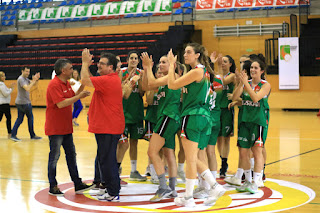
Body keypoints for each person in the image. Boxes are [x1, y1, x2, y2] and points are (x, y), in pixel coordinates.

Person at [167, 44, 225, 207]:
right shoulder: (204, 72)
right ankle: (213, 187)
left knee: (191, 159)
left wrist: (171, 65)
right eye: (185, 52)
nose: (185, 55)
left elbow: (172, 85)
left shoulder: (197, 71)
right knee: (194, 157)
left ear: (197, 55)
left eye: (188, 52)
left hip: (193, 116)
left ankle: (190, 197)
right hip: (203, 118)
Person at [81, 49, 125, 202]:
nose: (98, 65)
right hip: (106, 126)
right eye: (98, 63)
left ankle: (113, 191)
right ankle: (109, 188)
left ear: (111, 68)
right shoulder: (107, 79)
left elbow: (85, 80)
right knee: (104, 159)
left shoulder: (109, 80)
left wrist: (85, 63)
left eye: (102, 64)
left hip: (109, 127)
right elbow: (90, 79)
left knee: (108, 160)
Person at [45, 58, 94, 197]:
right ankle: (52, 185)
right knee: (54, 157)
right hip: (55, 129)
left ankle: (77, 183)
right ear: (63, 70)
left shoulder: (67, 83)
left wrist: (84, 79)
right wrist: (78, 96)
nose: (73, 70)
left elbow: (77, 91)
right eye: (71, 68)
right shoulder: (54, 85)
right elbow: (61, 103)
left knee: (71, 156)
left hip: (66, 128)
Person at [141, 53, 181, 202]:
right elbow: (146, 86)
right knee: (169, 153)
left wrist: (148, 67)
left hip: (168, 117)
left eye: (164, 62)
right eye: (159, 62)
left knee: (152, 152)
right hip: (166, 118)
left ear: (173, 64)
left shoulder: (174, 76)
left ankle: (163, 187)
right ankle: (172, 189)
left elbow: (151, 83)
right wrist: (146, 69)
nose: (161, 64)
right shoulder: (163, 80)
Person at [232, 58, 271, 194]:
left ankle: (256, 182)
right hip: (245, 121)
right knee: (243, 152)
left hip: (258, 122)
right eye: (251, 68)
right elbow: (235, 97)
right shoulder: (246, 83)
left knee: (257, 151)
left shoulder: (265, 85)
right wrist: (240, 83)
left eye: (255, 68)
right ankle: (247, 180)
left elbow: (255, 98)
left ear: (261, 71)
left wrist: (245, 83)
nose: (253, 70)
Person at [119, 50, 146, 181]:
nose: (134, 60)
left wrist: (139, 81)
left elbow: (142, 93)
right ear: (127, 60)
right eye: (131, 58)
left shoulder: (141, 73)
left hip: (136, 112)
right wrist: (129, 80)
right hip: (123, 113)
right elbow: (118, 90)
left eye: (136, 58)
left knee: (134, 142)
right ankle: (116, 169)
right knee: (121, 144)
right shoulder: (122, 72)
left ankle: (133, 170)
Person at [217, 55, 236, 178]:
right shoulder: (217, 75)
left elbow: (221, 82)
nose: (222, 63)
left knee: (225, 137)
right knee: (218, 137)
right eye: (221, 62)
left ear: (230, 64)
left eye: (225, 62)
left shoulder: (232, 76)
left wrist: (217, 65)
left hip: (227, 109)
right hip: (216, 109)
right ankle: (222, 159)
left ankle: (224, 163)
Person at [10, 67, 42, 142]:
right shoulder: (21, 79)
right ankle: (31, 135)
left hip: (24, 103)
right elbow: (27, 88)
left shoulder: (25, 79)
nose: (28, 73)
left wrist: (36, 79)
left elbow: (33, 85)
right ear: (22, 71)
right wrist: (33, 81)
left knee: (21, 119)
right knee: (26, 119)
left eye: (28, 72)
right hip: (23, 103)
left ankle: (14, 135)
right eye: (26, 71)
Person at [0, 71, 16, 139]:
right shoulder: (1, 84)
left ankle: (9, 132)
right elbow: (6, 93)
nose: (4, 77)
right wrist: (11, 88)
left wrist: (9, 87)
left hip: (4, 104)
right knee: (8, 118)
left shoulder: (2, 84)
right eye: (3, 76)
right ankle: (9, 133)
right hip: (3, 104)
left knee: (6, 118)